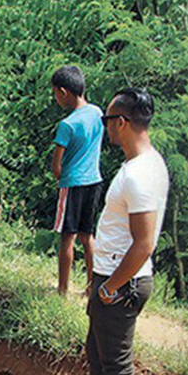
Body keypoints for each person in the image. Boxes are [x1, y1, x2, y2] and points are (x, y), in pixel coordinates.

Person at [52, 88, 168, 375]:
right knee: (98, 353)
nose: (104, 128)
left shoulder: (140, 174)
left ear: (121, 122)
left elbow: (143, 244)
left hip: (122, 283)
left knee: (115, 362)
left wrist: (112, 287)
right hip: (109, 278)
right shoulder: (142, 164)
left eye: (107, 121)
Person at [50, 65, 104, 296]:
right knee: (87, 236)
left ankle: (62, 290)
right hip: (94, 181)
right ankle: (92, 286)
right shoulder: (98, 113)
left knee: (67, 238)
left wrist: (60, 178)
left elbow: (56, 165)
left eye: (55, 93)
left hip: (72, 184)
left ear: (63, 92)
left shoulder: (67, 125)